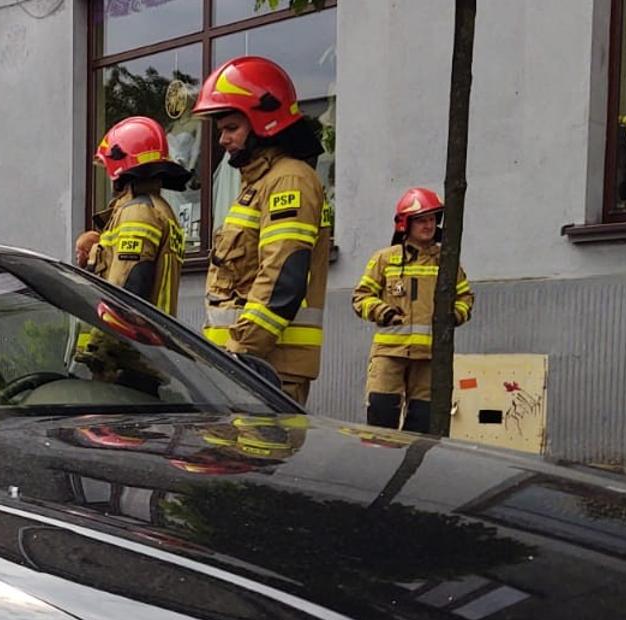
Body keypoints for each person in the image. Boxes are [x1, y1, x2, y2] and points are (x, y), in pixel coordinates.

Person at [192, 55, 333, 405]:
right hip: (246, 366)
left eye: (231, 128)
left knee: (264, 459)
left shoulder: (289, 180)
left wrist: (238, 353)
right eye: (221, 129)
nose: (222, 139)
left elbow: (281, 279)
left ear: (263, 121)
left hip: (266, 369)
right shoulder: (258, 183)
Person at [353, 187, 474, 432]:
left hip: (429, 357)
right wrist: (382, 312)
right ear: (405, 224)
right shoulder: (384, 259)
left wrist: (454, 316)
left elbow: (465, 297)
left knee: (422, 424)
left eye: (432, 219)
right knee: (381, 416)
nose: (428, 225)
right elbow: (360, 297)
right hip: (389, 353)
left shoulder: (446, 260)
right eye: (421, 220)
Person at [81, 116, 191, 314]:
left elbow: (125, 295)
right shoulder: (158, 209)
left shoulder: (138, 212)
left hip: (123, 344)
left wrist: (98, 344)